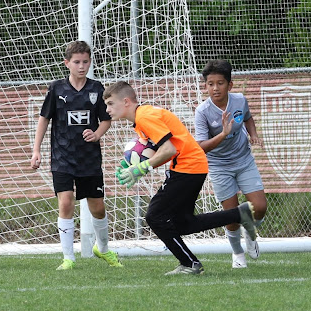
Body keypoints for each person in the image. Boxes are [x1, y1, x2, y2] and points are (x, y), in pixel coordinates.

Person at [103, 81, 258, 275]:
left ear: (126, 101)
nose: (107, 109)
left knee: (154, 216)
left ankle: (190, 264)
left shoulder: (144, 117)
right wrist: (132, 166)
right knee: (182, 223)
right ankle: (239, 214)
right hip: (191, 166)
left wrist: (140, 168)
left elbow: (169, 150)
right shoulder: (142, 117)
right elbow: (157, 150)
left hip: (187, 167)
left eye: (110, 103)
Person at [31, 40, 122, 270]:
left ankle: (103, 249)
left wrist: (97, 134)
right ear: (67, 63)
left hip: (89, 158)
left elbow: (106, 119)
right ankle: (68, 257)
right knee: (66, 202)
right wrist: (36, 150)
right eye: (77, 62)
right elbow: (44, 119)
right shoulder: (57, 89)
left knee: (97, 207)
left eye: (85, 62)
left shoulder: (97, 89)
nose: (82, 66)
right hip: (62, 157)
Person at [194, 59, 268, 268]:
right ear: (206, 86)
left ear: (230, 85)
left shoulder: (240, 100)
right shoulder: (202, 112)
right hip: (219, 166)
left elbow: (248, 117)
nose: (215, 88)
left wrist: (253, 135)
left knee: (260, 207)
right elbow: (201, 147)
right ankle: (237, 253)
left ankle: (250, 233)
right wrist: (223, 134)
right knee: (231, 217)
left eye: (220, 83)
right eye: (210, 84)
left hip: (244, 160)